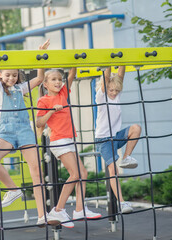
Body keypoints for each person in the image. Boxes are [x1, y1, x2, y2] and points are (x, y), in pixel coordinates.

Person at [0, 39, 60, 226]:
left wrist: (39, 54)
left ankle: (41, 215)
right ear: (0, 76)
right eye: (7, 75)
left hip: (24, 131)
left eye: (14, 75)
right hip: (6, 132)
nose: (11, 78)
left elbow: (38, 79)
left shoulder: (20, 89)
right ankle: (13, 190)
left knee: (36, 171)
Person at [36, 68, 102, 228]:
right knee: (75, 174)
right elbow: (39, 123)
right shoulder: (43, 101)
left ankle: (79, 209)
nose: (58, 82)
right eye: (53, 79)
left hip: (69, 139)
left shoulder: (63, 94)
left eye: (60, 79)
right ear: (45, 84)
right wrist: (52, 111)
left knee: (82, 174)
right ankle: (58, 210)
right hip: (58, 140)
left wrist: (73, 64)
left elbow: (71, 75)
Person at [95, 66, 141, 213]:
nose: (114, 93)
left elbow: (121, 76)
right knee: (113, 170)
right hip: (103, 139)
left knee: (136, 128)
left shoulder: (117, 96)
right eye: (111, 90)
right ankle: (122, 203)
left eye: (117, 90)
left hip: (116, 136)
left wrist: (122, 62)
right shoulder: (101, 96)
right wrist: (107, 64)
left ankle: (126, 157)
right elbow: (106, 78)